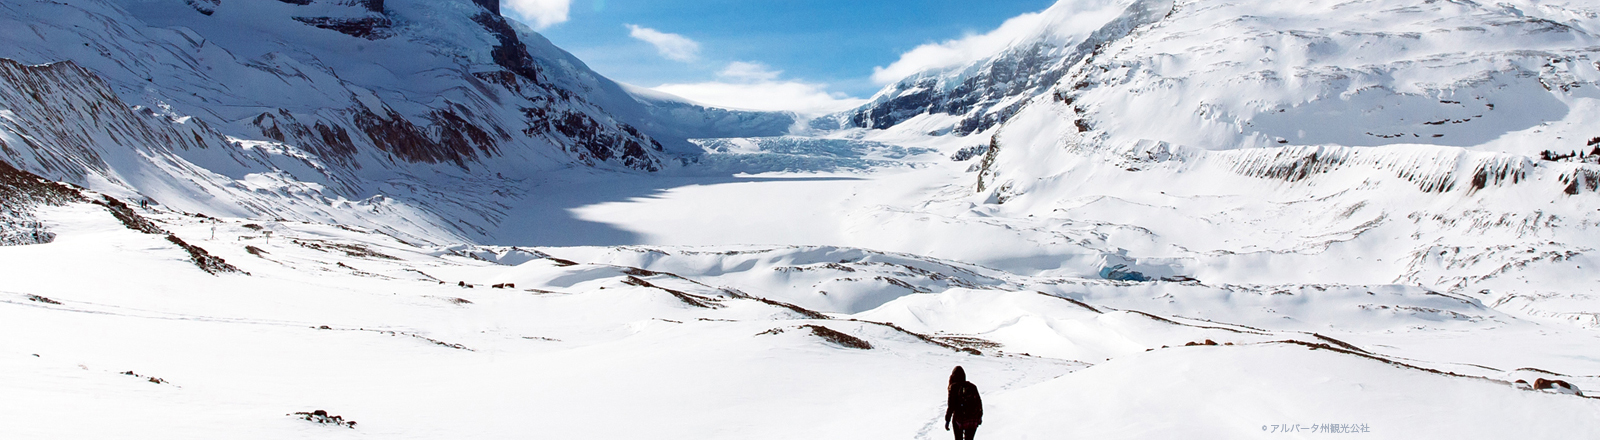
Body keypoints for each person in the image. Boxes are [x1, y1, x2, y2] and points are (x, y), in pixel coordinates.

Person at [944, 366, 983, 440]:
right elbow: (979, 402)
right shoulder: (972, 386)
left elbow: (951, 406)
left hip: (960, 419)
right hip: (973, 419)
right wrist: (979, 416)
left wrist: (947, 420)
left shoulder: (953, 387)